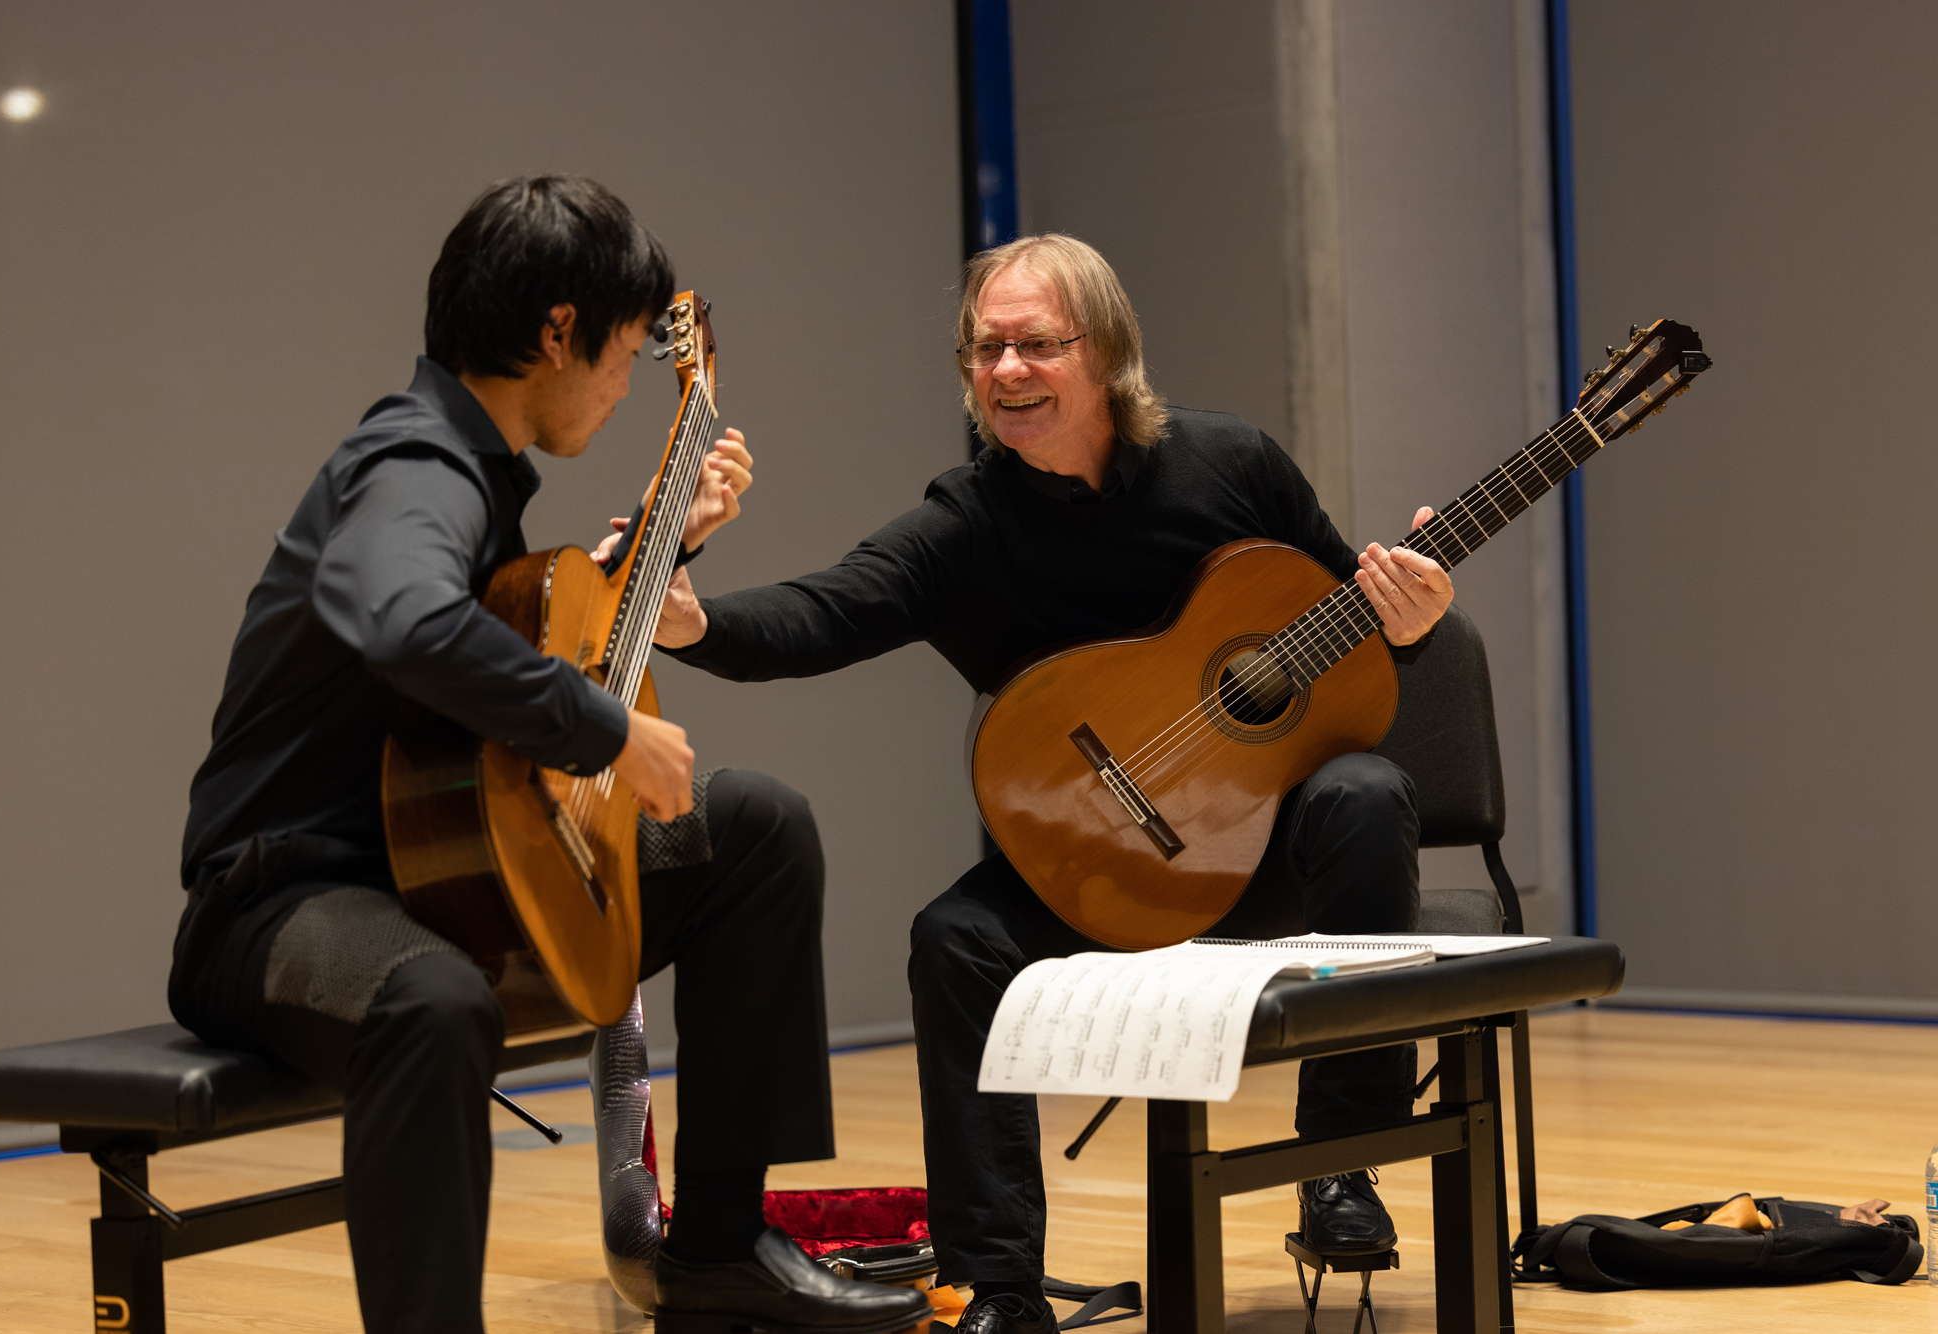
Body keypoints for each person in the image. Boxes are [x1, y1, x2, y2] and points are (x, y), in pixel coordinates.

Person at [166, 175, 932, 1334]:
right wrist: (610, 729)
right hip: (278, 903)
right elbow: (404, 620)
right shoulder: (415, 458)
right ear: (557, 331)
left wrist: (657, 546)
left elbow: (482, 651)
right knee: (427, 1000)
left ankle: (719, 1248)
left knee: (753, 827)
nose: (629, 387)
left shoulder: (470, 476)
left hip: (440, 875)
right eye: (625, 353)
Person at [654, 234, 1454, 1334]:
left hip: (1261, 858)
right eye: (985, 348)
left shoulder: (1233, 467)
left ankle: (1339, 1168)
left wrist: (1406, 624)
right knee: (953, 937)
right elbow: (824, 612)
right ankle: (1001, 1287)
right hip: (1087, 875)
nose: (1006, 370)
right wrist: (693, 620)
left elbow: (1349, 629)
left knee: (1362, 792)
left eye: (1034, 343)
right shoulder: (967, 522)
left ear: (1107, 352)